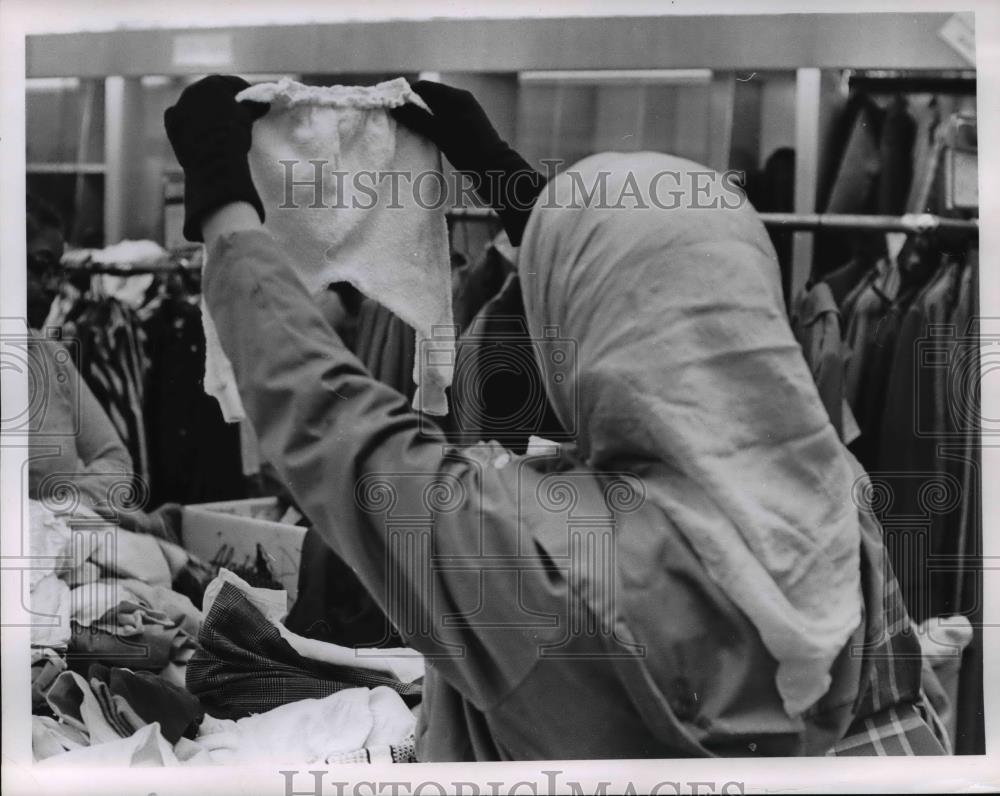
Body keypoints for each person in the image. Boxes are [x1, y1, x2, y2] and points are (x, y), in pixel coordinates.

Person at [164, 75, 945, 760]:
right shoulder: (834, 505)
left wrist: (228, 208)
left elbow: (333, 422)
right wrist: (514, 192)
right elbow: (650, 306)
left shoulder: (535, 558)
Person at [26, 195, 180, 542]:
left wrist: (51, 508)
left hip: (57, 558)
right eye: (39, 266)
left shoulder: (52, 358)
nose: (53, 286)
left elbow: (116, 462)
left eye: (58, 271)